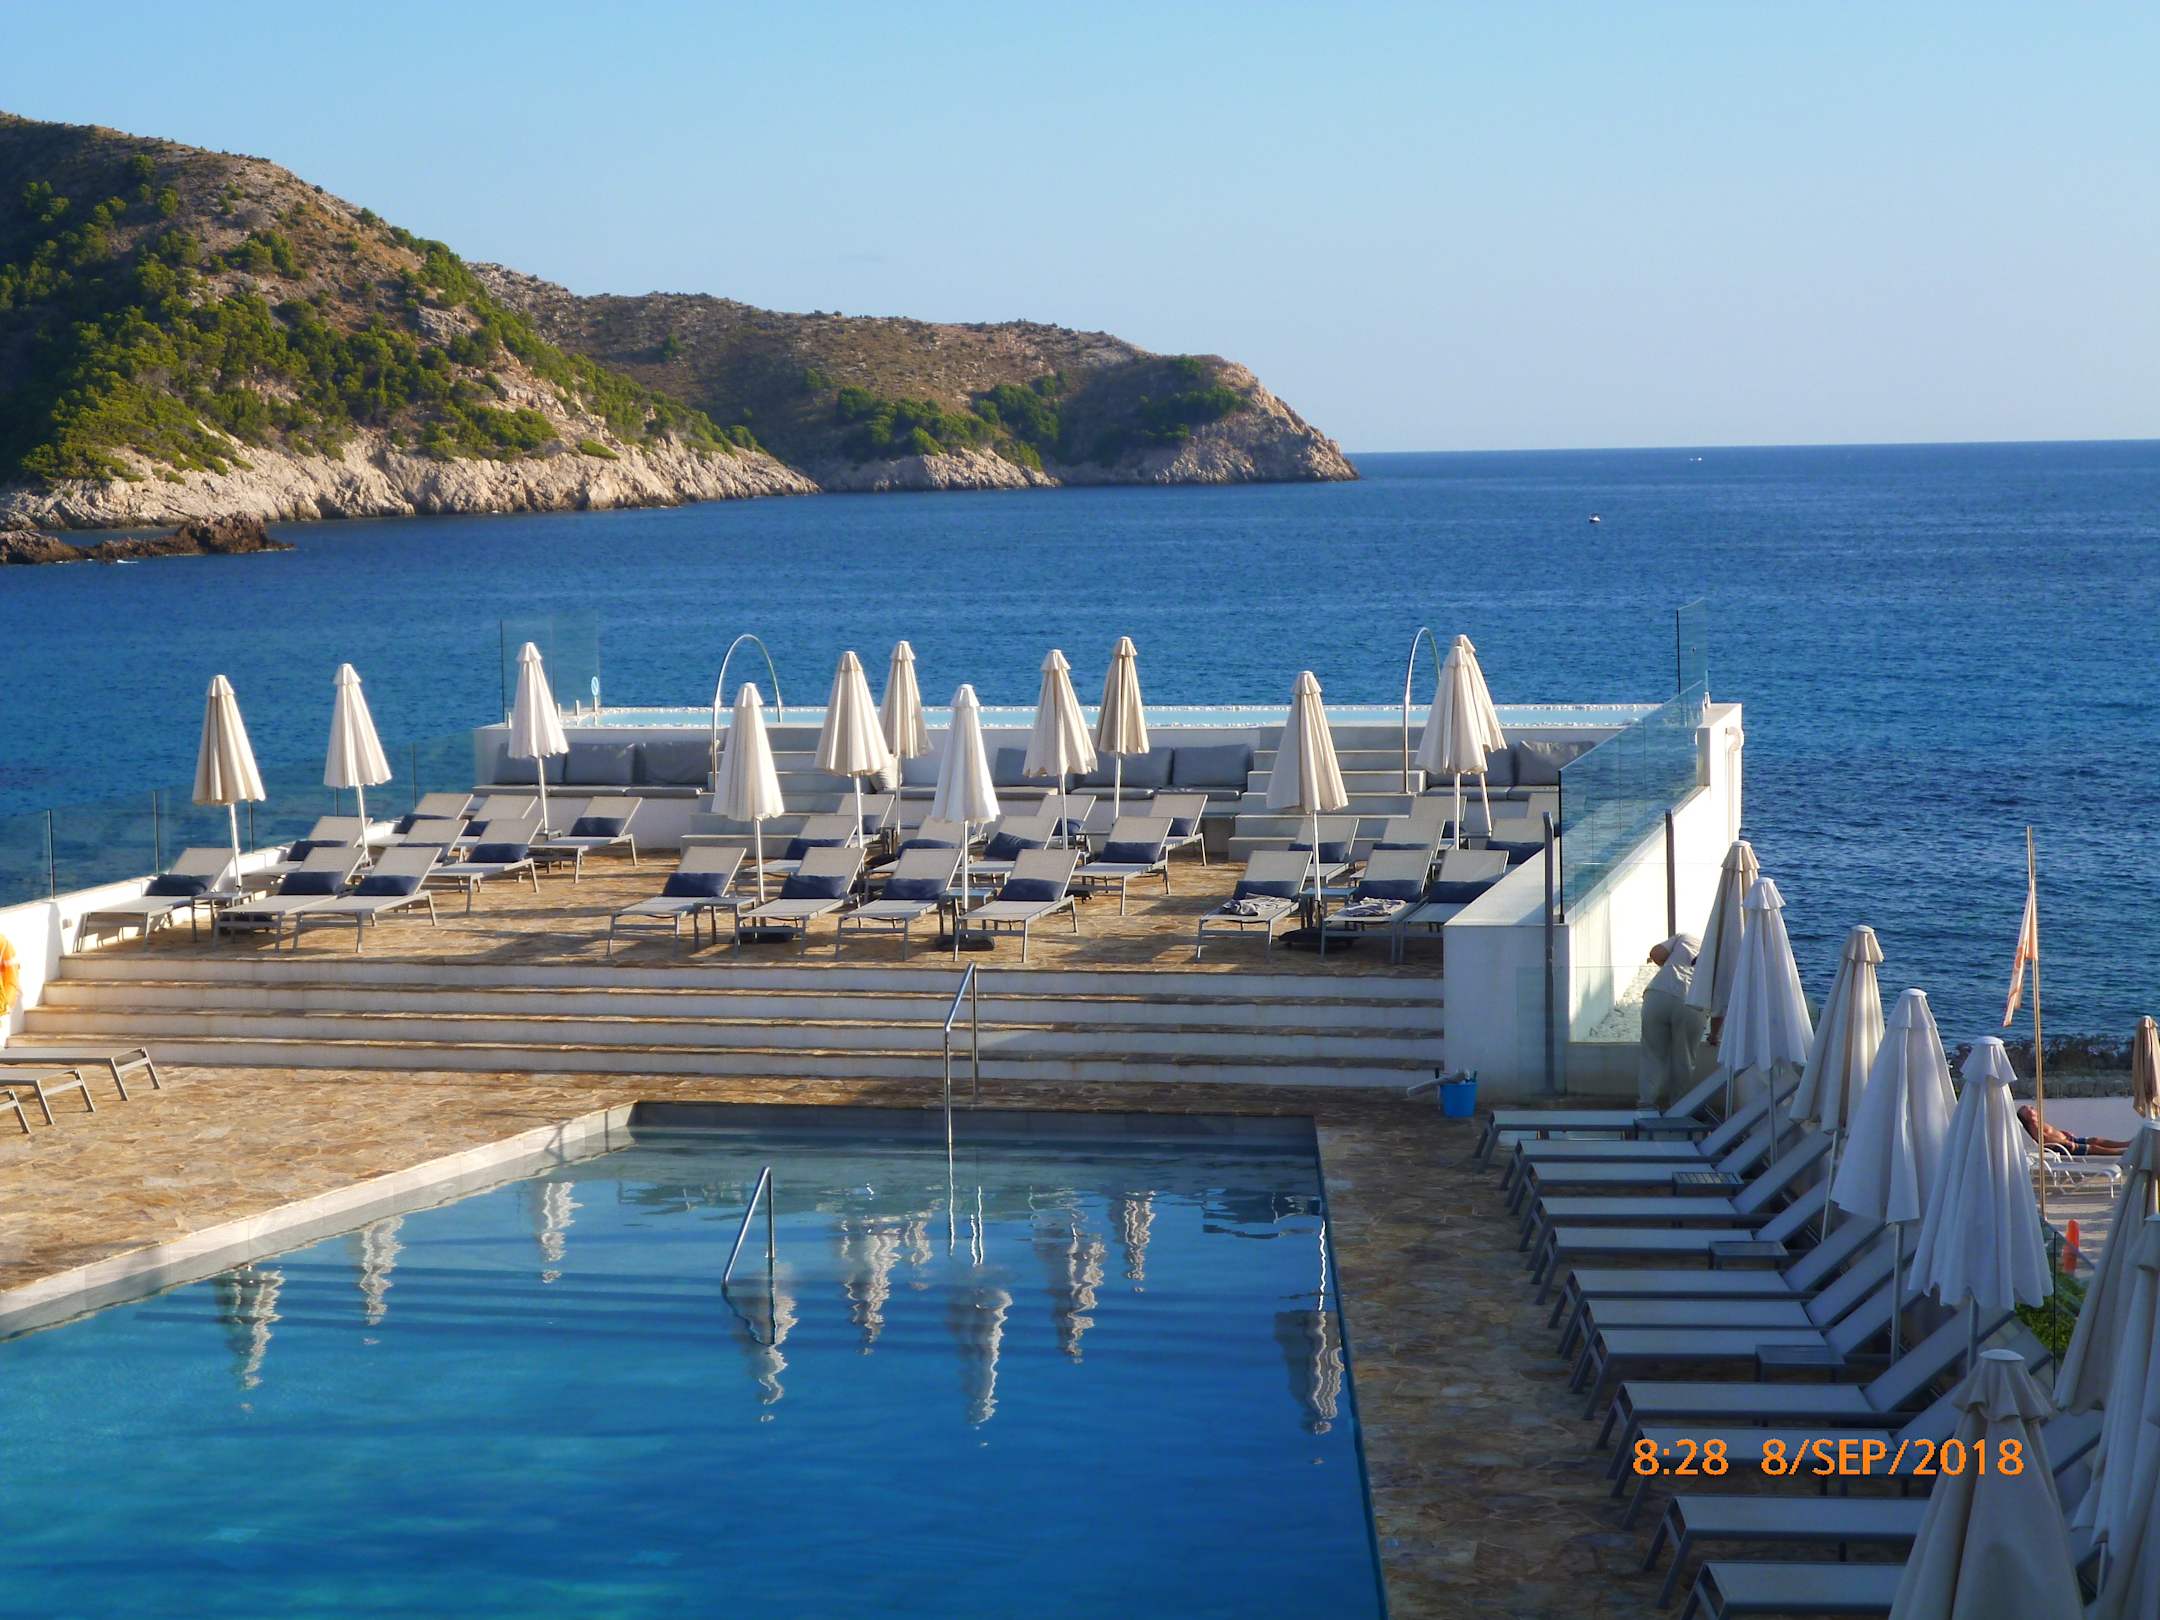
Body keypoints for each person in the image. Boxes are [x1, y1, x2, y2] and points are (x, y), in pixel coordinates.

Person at [1638, 932, 1705, 1110]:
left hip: (1657, 994)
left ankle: (1646, 1104)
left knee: (1652, 1055)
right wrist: (1714, 1034)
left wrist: (1668, 965)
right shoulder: (1721, 956)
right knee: (1684, 1059)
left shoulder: (1686, 938)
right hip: (1692, 1001)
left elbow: (1656, 953)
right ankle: (1678, 1107)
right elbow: (1721, 1002)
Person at [2016, 1105, 2128, 1158]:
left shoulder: (2038, 1121)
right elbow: (2045, 1140)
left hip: (2066, 1139)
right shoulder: (2033, 1127)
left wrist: (2062, 1133)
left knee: (2095, 1140)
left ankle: (2126, 1144)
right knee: (2093, 1147)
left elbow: (2050, 1132)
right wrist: (2064, 1142)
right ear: (2026, 1116)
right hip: (2063, 1146)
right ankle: (2121, 1152)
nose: (2032, 1108)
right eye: (2028, 1108)